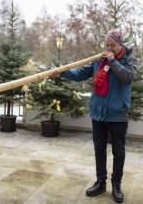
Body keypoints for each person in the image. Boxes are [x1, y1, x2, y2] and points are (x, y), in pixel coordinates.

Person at [54, 30, 137, 203]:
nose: (108, 48)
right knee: (99, 150)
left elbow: (126, 78)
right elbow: (80, 74)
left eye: (112, 45)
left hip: (117, 115)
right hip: (98, 114)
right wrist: (62, 72)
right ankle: (100, 183)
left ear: (120, 44)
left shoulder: (128, 60)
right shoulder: (99, 60)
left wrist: (112, 61)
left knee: (118, 152)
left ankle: (116, 186)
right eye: (106, 45)